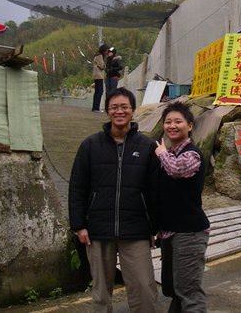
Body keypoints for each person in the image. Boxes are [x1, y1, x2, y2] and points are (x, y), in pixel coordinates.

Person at [69, 87, 159, 313]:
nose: (120, 111)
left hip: (136, 229)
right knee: (100, 293)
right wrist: (79, 225)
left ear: (133, 110)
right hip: (99, 229)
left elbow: (155, 191)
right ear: (108, 111)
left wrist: (156, 226)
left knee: (144, 289)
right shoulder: (90, 145)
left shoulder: (147, 147)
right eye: (114, 107)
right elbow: (77, 187)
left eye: (124, 107)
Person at [155, 101, 210, 313]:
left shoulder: (191, 154)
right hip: (171, 232)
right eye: (168, 122)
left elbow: (177, 170)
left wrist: (161, 153)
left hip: (189, 232)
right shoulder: (171, 152)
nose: (172, 126)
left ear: (190, 126)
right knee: (174, 290)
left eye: (178, 121)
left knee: (189, 292)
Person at [92, 44, 109, 112]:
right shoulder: (100, 56)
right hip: (99, 75)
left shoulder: (97, 55)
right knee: (100, 91)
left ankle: (95, 107)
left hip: (96, 75)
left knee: (97, 91)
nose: (107, 52)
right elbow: (102, 66)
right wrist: (105, 65)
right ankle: (96, 107)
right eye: (106, 50)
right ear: (104, 50)